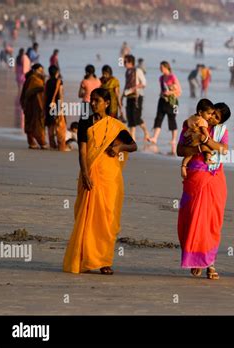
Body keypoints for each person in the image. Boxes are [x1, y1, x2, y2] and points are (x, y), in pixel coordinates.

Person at [63, 88, 138, 275]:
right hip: (90, 176)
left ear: (106, 103)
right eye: (92, 100)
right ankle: (85, 260)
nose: (93, 103)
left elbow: (134, 146)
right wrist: (85, 174)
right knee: (87, 218)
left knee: (107, 219)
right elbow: (82, 152)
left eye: (97, 100)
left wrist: (120, 147)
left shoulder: (115, 125)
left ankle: (105, 261)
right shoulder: (85, 122)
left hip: (110, 180)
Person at [176, 102, 231, 280]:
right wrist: (199, 148)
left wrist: (207, 141)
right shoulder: (192, 124)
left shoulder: (222, 132)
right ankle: (195, 258)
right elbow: (180, 150)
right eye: (212, 114)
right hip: (195, 177)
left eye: (217, 117)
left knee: (212, 222)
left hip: (215, 179)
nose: (213, 118)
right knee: (191, 218)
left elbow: (223, 151)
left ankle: (209, 262)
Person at [180, 99, 215, 178]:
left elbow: (186, 124)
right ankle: (207, 159)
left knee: (189, 155)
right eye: (208, 114)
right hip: (196, 139)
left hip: (187, 137)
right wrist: (208, 138)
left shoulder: (192, 117)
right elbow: (204, 130)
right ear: (200, 112)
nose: (210, 116)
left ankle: (183, 166)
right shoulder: (202, 121)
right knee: (208, 148)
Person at [150, 61, 182, 145]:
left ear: (166, 67)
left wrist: (170, 93)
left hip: (173, 102)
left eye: (162, 67)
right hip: (162, 100)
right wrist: (162, 94)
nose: (160, 69)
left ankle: (174, 139)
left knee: (172, 119)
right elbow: (162, 90)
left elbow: (179, 91)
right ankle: (155, 138)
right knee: (158, 118)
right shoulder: (161, 78)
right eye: (160, 67)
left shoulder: (172, 77)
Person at [122, 54, 152, 142]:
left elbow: (144, 83)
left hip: (137, 96)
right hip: (129, 96)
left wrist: (133, 89)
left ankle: (145, 132)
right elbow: (126, 84)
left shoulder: (137, 70)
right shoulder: (127, 72)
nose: (123, 63)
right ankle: (132, 137)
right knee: (130, 117)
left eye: (125, 61)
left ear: (130, 62)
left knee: (136, 117)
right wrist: (122, 95)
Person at [20, 63, 48, 149]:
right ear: (35, 70)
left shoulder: (34, 78)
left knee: (31, 122)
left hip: (32, 105)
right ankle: (42, 142)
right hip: (33, 105)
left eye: (42, 70)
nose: (42, 72)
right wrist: (41, 88)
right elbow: (29, 92)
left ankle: (32, 142)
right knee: (37, 123)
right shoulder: (33, 78)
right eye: (40, 70)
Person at [45, 65, 68, 151]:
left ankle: (52, 144)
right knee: (59, 125)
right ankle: (61, 145)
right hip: (57, 104)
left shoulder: (47, 82)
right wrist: (61, 107)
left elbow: (45, 95)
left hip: (48, 105)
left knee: (50, 125)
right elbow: (61, 94)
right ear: (57, 73)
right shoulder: (59, 82)